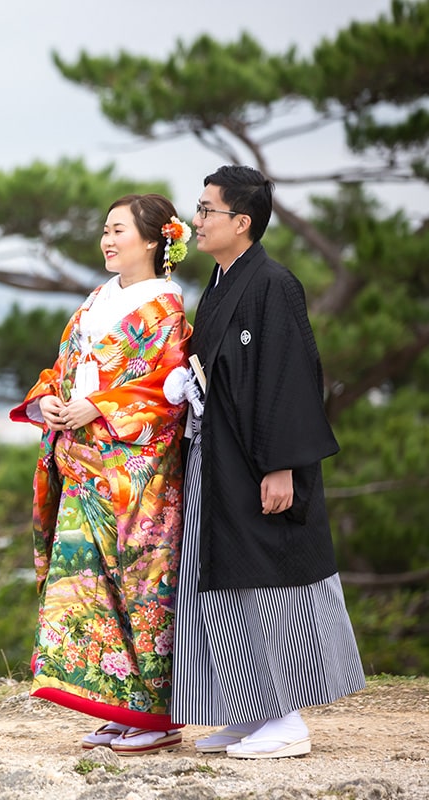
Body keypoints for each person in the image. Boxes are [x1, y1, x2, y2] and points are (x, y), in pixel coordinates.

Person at [169, 165, 366, 759]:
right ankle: (245, 710)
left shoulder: (273, 283)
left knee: (266, 585)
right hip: (220, 452)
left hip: (260, 461)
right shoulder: (224, 280)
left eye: (207, 211)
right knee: (220, 583)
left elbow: (289, 378)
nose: (196, 220)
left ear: (242, 222)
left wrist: (281, 466)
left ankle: (284, 718)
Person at [10, 193, 193, 756]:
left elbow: (165, 391)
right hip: (83, 461)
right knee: (86, 582)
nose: (108, 240)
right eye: (105, 231)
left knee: (140, 580)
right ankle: (119, 703)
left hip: (135, 471)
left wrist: (100, 408)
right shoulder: (97, 299)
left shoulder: (167, 309)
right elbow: (65, 368)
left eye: (119, 230)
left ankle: (156, 715)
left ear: (156, 238)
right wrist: (54, 402)